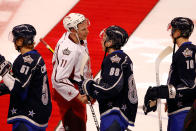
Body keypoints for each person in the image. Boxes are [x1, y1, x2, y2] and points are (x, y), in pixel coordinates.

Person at [78, 25, 138, 131]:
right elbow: (108, 83)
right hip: (118, 112)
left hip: (114, 113)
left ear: (110, 43)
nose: (102, 41)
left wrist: (88, 86)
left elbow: (111, 88)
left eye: (104, 38)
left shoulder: (114, 59)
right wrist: (93, 92)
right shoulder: (122, 58)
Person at [143, 17, 195, 131]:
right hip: (182, 111)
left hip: (184, 113)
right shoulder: (185, 51)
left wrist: (159, 92)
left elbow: (190, 87)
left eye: (173, 30)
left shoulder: (185, 52)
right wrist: (169, 99)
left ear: (177, 32)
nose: (171, 34)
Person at [0, 24, 52, 131]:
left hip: (28, 117)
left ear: (20, 41)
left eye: (15, 38)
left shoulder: (26, 60)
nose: (13, 41)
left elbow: (18, 89)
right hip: (38, 114)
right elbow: (23, 83)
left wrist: (3, 69)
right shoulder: (34, 56)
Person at [51, 13, 92, 131]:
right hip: (68, 91)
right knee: (77, 126)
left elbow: (84, 66)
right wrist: (78, 96)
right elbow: (59, 79)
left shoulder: (79, 39)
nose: (87, 32)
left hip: (76, 87)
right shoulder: (69, 50)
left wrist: (89, 84)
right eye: (83, 29)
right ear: (73, 30)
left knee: (75, 125)